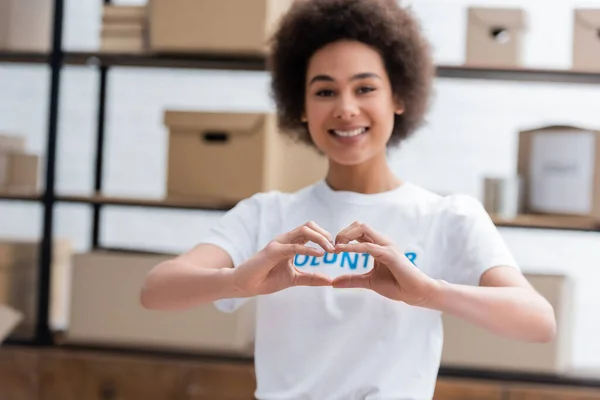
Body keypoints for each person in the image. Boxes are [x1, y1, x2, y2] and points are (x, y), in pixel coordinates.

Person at [140, 0, 557, 399]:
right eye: (324, 92)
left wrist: (430, 293)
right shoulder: (265, 214)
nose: (346, 108)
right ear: (300, 106)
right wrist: (235, 281)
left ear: (398, 97)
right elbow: (155, 290)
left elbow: (538, 321)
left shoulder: (448, 216)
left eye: (365, 88)